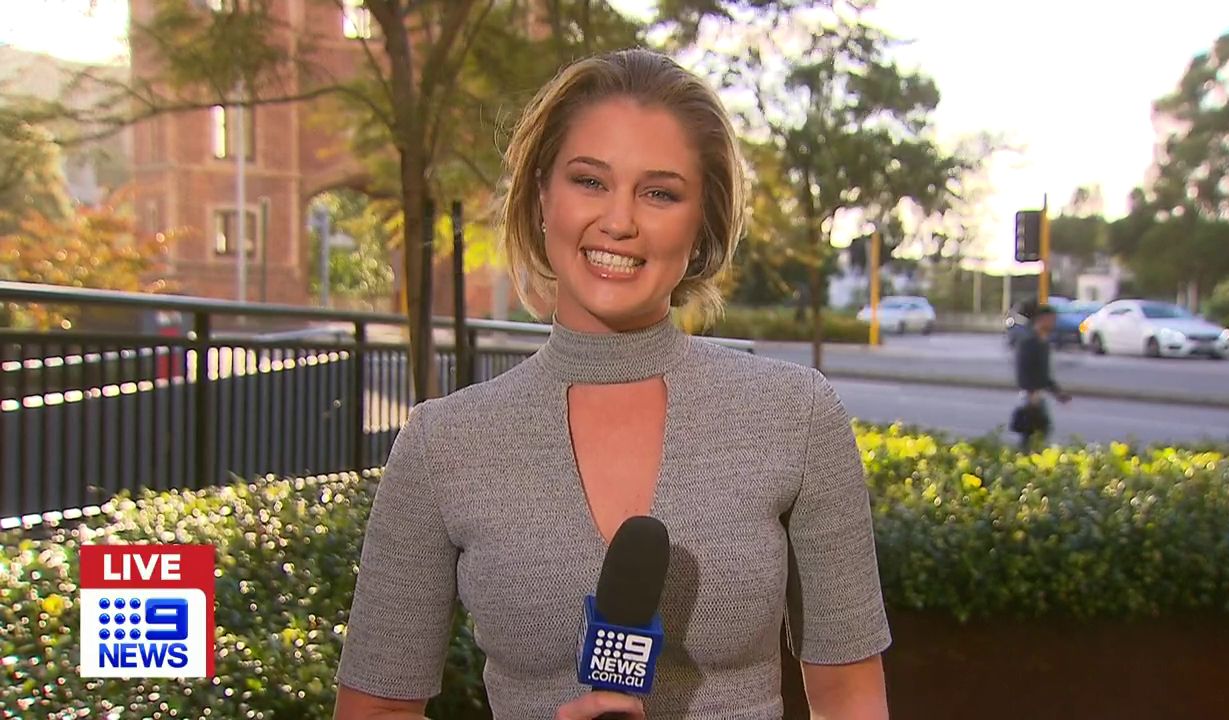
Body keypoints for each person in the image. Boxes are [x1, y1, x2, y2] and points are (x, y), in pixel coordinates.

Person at [333, 48, 891, 720]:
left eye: (660, 193)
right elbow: (375, 709)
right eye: (590, 181)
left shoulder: (795, 415)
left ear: (702, 222)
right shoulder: (443, 443)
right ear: (542, 197)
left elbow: (851, 698)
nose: (620, 221)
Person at [1013, 304, 1071, 451]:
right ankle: (1026, 456)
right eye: (1051, 320)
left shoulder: (1043, 342)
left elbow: (1044, 374)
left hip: (1039, 394)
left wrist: (1058, 392)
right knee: (1032, 431)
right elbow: (1023, 369)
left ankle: (1030, 455)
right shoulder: (1029, 341)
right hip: (1030, 396)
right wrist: (1031, 392)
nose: (1053, 324)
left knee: (1040, 430)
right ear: (1041, 320)